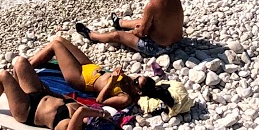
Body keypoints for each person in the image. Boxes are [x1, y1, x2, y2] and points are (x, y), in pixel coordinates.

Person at [26, 35, 171, 111]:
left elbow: (100, 101)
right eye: (137, 78)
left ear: (138, 91)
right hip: (89, 66)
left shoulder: (125, 98)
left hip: (81, 78)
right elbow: (130, 79)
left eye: (136, 82)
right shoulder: (131, 83)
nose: (134, 78)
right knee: (59, 39)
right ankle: (28, 62)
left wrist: (112, 82)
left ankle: (26, 67)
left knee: (56, 46)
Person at [0, 61, 96, 130]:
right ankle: (15, 91)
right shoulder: (82, 109)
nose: (92, 118)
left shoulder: (71, 128)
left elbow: (81, 114)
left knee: (3, 76)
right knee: (20, 62)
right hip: (39, 95)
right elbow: (69, 101)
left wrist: (100, 114)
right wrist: (50, 92)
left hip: (27, 110)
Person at [76, 0, 184, 56]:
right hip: (178, 41)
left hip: (160, 47)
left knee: (118, 35)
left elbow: (141, 33)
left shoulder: (152, 5)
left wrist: (132, 32)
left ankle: (93, 36)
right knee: (143, 21)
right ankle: (120, 22)